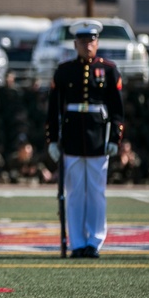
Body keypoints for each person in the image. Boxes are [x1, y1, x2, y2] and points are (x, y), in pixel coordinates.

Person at [46, 19, 124, 259]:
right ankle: (77, 242)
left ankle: (95, 241)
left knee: (97, 192)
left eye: (91, 41)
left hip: (98, 138)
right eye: (82, 41)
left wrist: (116, 137)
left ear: (97, 42)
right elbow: (53, 108)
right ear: (75, 43)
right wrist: (51, 140)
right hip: (71, 138)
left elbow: (117, 108)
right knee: (75, 193)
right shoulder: (64, 70)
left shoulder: (109, 69)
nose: (87, 45)